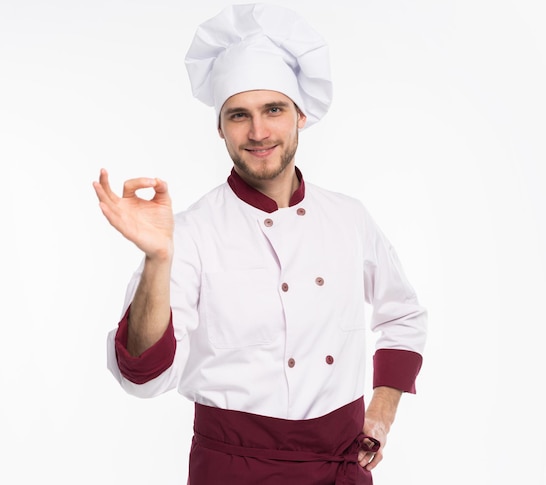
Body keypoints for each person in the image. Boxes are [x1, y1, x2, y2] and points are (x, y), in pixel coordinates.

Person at [93, 4, 427, 484]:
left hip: (341, 465)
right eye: (238, 115)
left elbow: (403, 315)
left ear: (300, 115)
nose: (258, 132)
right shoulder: (188, 233)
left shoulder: (349, 218)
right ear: (220, 126)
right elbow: (141, 376)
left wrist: (382, 409)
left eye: (274, 109)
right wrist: (158, 257)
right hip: (233, 468)